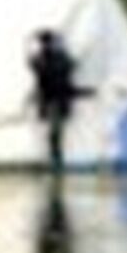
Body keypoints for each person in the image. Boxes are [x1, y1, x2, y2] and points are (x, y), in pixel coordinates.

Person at [27, 27, 81, 165]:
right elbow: (38, 68)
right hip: (51, 98)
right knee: (53, 129)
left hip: (56, 98)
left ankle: (55, 156)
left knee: (55, 128)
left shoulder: (56, 59)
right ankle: (54, 156)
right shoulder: (46, 59)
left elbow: (70, 67)